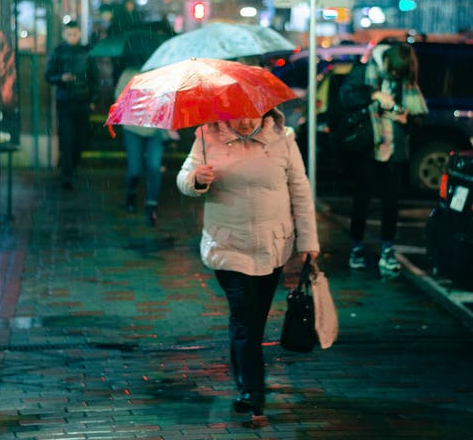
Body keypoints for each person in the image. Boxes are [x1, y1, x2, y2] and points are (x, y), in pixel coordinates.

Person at [176, 108, 320, 417]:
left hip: (272, 246)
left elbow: (301, 191)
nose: (244, 122)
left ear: (266, 111)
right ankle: (252, 390)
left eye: (251, 115)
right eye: (237, 115)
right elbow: (183, 178)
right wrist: (195, 179)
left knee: (253, 321)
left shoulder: (284, 140)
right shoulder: (206, 136)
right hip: (229, 245)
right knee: (244, 317)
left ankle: (244, 373)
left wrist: (309, 242)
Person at [338, 42, 428, 277]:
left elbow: (417, 119)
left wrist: (406, 118)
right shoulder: (365, 71)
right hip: (369, 148)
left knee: (391, 203)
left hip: (395, 150)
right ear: (386, 60)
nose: (395, 75)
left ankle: (387, 249)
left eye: (400, 73)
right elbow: (345, 97)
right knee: (362, 200)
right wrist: (373, 95)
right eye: (394, 70)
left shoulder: (406, 80)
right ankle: (356, 248)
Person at [45, 20, 99, 189]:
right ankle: (67, 175)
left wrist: (93, 100)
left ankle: (72, 167)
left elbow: (94, 79)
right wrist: (61, 78)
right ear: (64, 34)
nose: (72, 37)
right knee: (67, 139)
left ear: (79, 34)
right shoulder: (58, 52)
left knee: (81, 139)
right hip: (65, 101)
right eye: (69, 34)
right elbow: (48, 75)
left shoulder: (87, 52)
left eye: (74, 34)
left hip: (82, 101)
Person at [114, 64, 168, 226]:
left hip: (156, 129)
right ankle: (130, 196)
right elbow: (119, 98)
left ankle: (151, 205)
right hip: (133, 127)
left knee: (154, 165)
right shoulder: (129, 74)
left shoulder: (163, 74)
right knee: (134, 168)